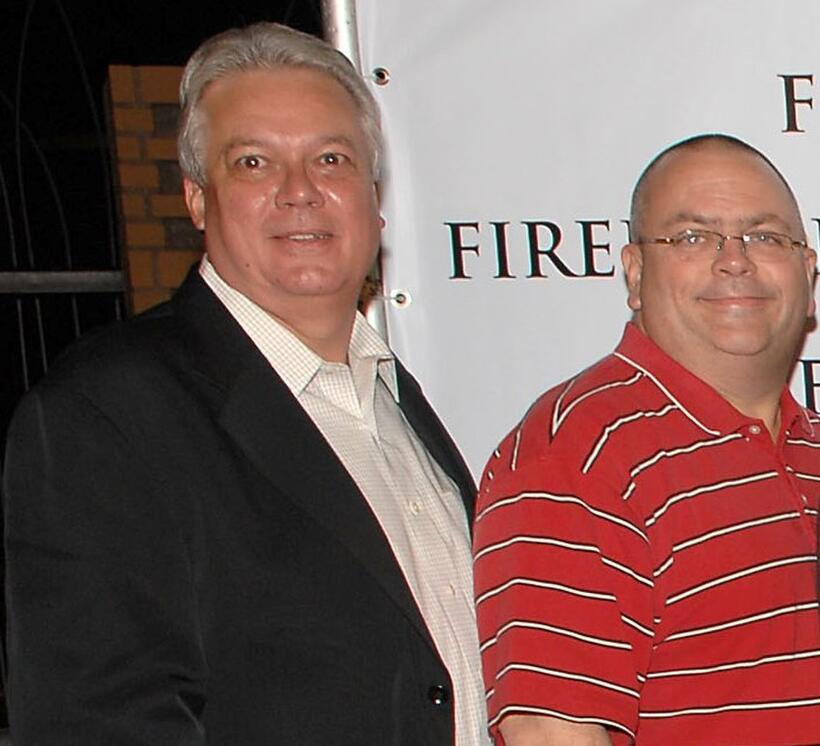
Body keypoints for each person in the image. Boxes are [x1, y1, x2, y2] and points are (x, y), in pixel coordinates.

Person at [3, 22, 488, 745]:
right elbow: (98, 723)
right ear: (197, 199)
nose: (302, 192)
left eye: (331, 158)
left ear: (373, 197)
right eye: (256, 163)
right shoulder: (104, 416)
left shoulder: (393, 401)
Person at [473, 134, 820, 745]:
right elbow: (556, 736)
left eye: (765, 237)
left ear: (807, 270)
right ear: (635, 272)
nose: (734, 260)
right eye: (692, 237)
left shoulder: (809, 449)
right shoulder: (574, 458)